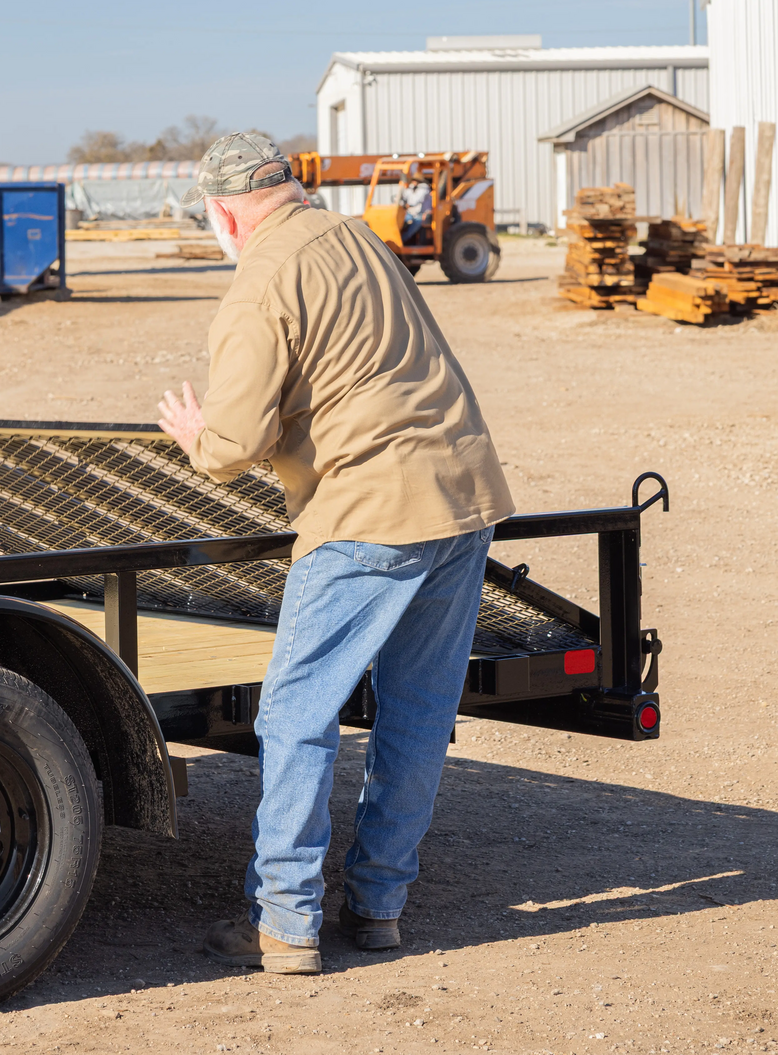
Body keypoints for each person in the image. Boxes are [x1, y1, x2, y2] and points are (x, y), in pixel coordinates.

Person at [156, 132, 513, 975]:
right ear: (290, 187)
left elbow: (237, 441)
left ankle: (284, 924)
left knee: (295, 716)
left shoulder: (258, 284)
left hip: (368, 512)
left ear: (222, 212)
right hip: (463, 498)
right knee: (418, 714)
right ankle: (380, 905)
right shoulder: (358, 237)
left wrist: (195, 435)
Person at [399, 176, 433, 244]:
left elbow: (415, 200)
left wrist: (408, 204)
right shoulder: (412, 188)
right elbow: (405, 196)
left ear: (418, 181)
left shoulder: (424, 188)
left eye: (414, 180)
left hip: (424, 214)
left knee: (415, 225)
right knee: (401, 220)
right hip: (412, 213)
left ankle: (402, 241)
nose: (413, 182)